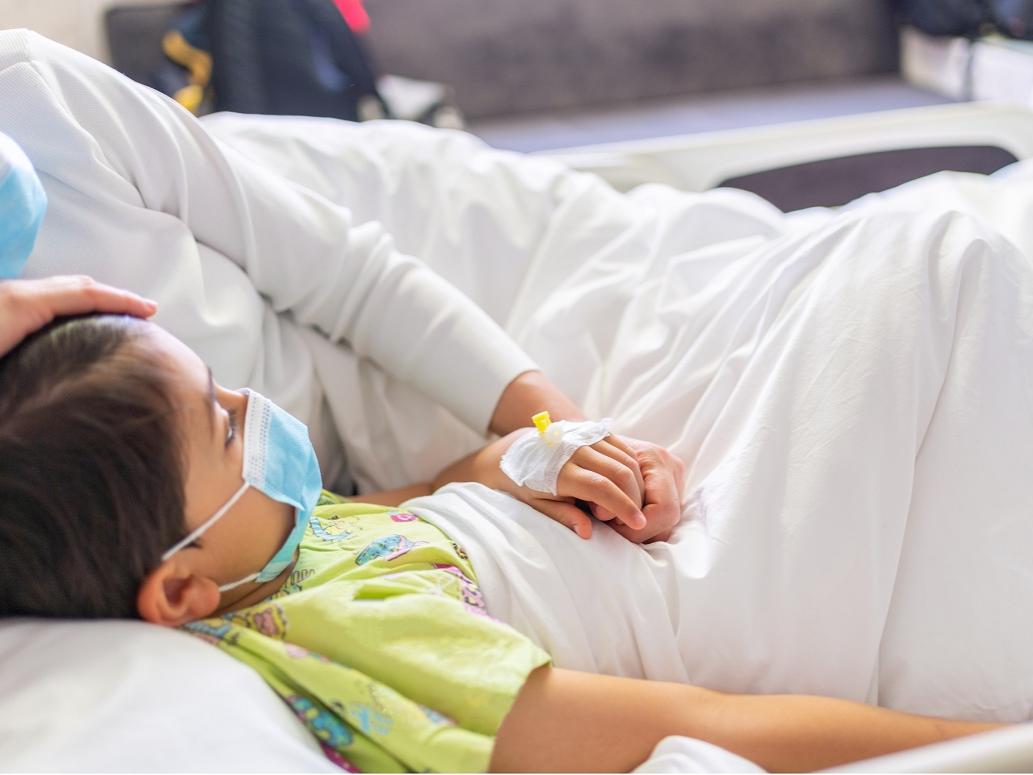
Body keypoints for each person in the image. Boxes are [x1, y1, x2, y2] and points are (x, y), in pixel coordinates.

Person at [0, 313, 1004, 773]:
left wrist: (536, 459)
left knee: (910, 287)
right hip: (704, 601)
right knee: (929, 289)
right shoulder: (352, 638)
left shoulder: (271, 542)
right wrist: (983, 750)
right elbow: (698, 721)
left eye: (225, 383)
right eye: (225, 426)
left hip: (621, 518)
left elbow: (429, 495)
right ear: (179, 592)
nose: (255, 405)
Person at [0, 29, 685, 542]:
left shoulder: (35, 96)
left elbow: (351, 278)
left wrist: (562, 431)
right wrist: (453, 482)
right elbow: (243, 543)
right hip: (310, 491)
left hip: (345, 291)